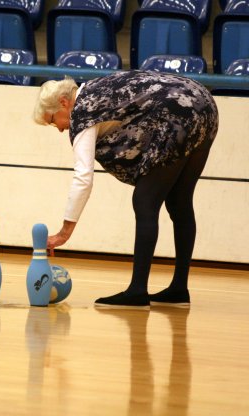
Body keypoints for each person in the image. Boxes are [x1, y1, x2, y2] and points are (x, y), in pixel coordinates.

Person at [33, 70, 218, 308]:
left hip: (178, 110)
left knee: (144, 200)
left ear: (63, 102)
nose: (58, 128)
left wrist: (64, 233)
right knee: (179, 201)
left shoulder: (82, 110)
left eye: (52, 120)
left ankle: (137, 291)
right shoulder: (97, 88)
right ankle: (179, 289)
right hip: (204, 103)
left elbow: (83, 177)